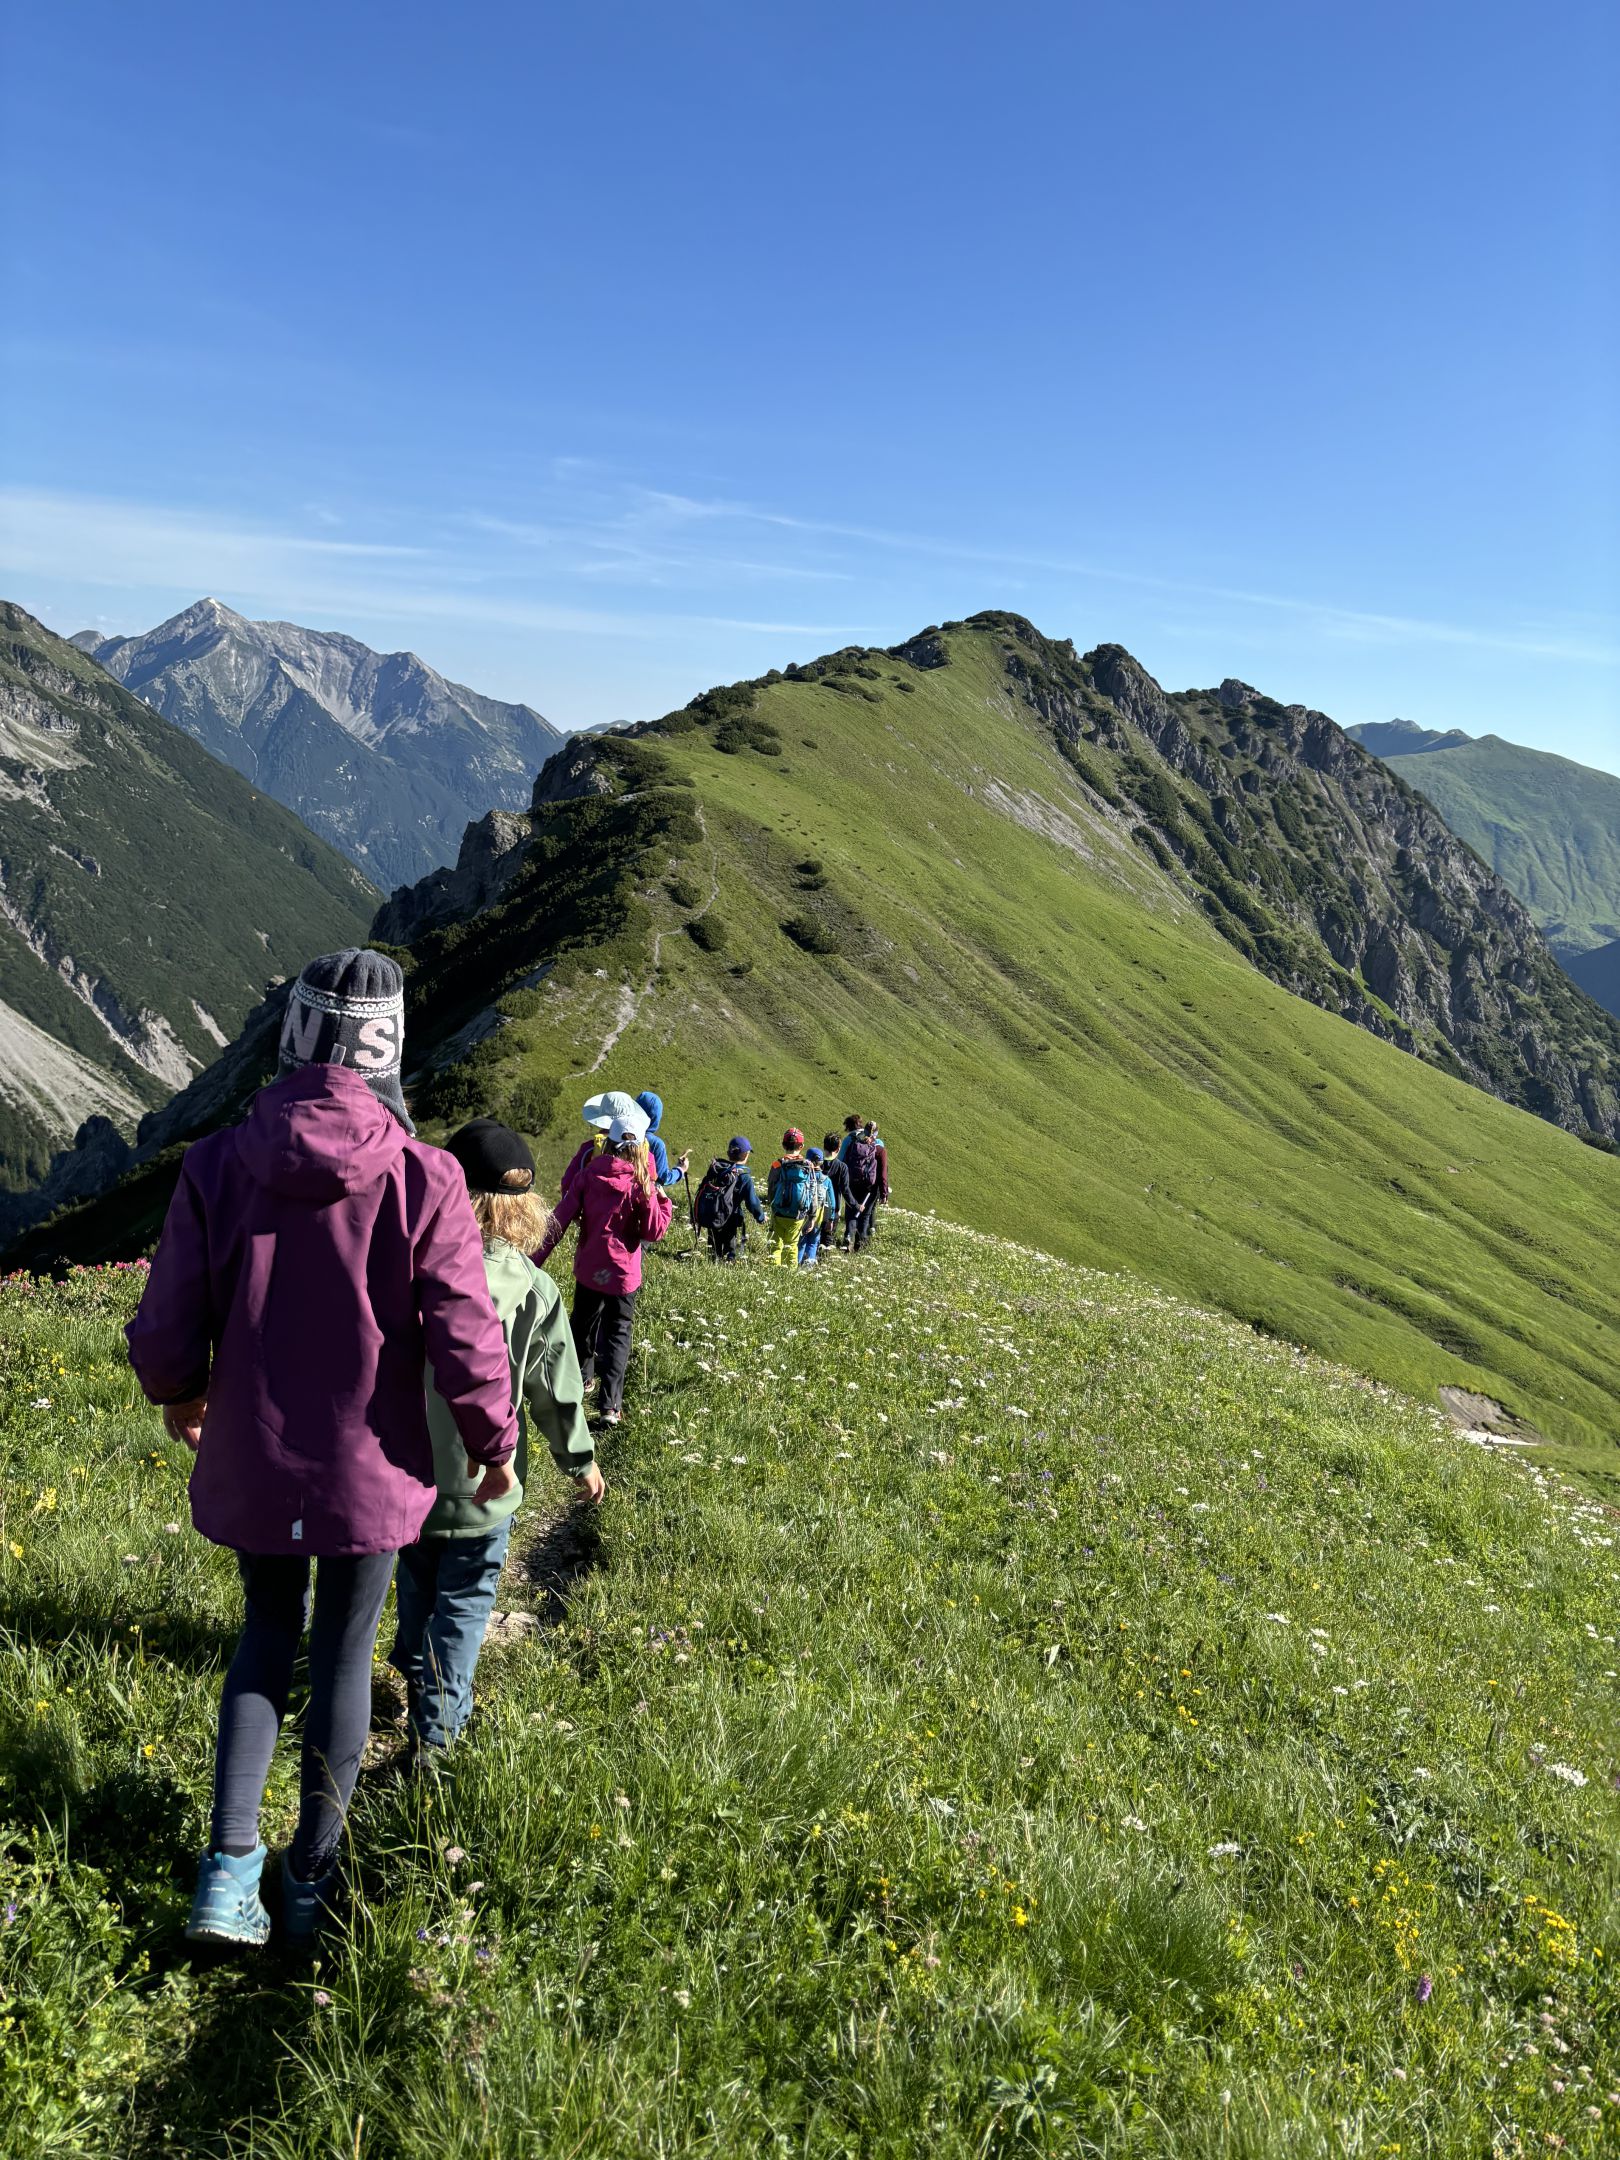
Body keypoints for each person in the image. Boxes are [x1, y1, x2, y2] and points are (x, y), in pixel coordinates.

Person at [125, 950, 517, 1949]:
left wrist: (178, 1394)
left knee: (262, 1638)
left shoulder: (216, 1162)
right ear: (389, 1051)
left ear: (293, 1038)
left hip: (254, 1454)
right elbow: (467, 1334)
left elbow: (168, 1324)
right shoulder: (423, 1178)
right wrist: (494, 1441)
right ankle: (310, 1880)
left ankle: (227, 1873)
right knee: (345, 1657)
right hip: (370, 1470)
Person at [390, 1119, 605, 1772]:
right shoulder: (536, 1292)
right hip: (489, 1481)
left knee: (417, 1579)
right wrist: (581, 1460)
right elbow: (555, 1389)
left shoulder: (403, 1273)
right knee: (464, 1604)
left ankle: (411, 1672)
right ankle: (438, 1734)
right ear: (524, 1209)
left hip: (403, 1476)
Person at [535, 1103, 671, 1425]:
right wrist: (660, 1198)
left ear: (606, 1142)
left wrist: (533, 1261)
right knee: (618, 1334)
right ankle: (610, 1406)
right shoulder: (642, 1184)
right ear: (640, 1148)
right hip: (624, 1276)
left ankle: (581, 1380)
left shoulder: (587, 1176)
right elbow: (653, 1231)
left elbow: (559, 1219)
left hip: (589, 1270)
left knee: (582, 1323)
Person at [558, 1089, 642, 1210]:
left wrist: (576, 1213)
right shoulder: (640, 1148)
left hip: (592, 1216)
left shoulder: (589, 1148)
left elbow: (568, 1182)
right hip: (628, 1217)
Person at [692, 1136, 765, 1262]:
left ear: (728, 1153)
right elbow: (752, 1201)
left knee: (713, 1243)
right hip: (731, 1216)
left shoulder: (718, 1169)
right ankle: (728, 1263)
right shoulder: (744, 1176)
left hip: (712, 1213)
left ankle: (712, 1263)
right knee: (730, 1247)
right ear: (746, 1154)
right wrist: (760, 1217)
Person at [765, 1128, 818, 1266]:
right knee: (792, 1245)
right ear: (801, 1147)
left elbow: (771, 1186)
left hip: (779, 1211)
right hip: (798, 1214)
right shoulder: (809, 1165)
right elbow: (813, 1191)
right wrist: (812, 1217)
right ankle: (790, 1273)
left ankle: (772, 1271)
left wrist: (772, 1204)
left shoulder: (777, 1164)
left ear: (783, 1145)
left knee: (775, 1244)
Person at [845, 1119, 890, 1252]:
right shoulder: (880, 1150)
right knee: (865, 1215)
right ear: (876, 1133)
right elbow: (883, 1174)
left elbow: (847, 1163)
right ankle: (861, 1244)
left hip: (853, 1184)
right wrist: (884, 1194)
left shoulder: (854, 1144)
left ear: (864, 1130)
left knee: (851, 1212)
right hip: (870, 1188)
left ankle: (847, 1238)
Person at [636, 1090, 689, 1191]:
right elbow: (662, 1178)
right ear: (655, 1117)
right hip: (643, 1196)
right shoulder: (656, 1144)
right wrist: (681, 1169)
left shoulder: (620, 1133)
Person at [798, 1148, 834, 1267]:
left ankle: (797, 1264)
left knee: (801, 1241)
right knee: (813, 1241)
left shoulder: (804, 1175)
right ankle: (809, 1266)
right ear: (821, 1162)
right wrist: (830, 1219)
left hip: (803, 1213)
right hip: (818, 1214)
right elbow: (831, 1202)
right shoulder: (826, 1180)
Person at [821, 1133, 853, 1249]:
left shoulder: (816, 1164)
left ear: (824, 1147)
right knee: (828, 1238)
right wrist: (855, 1205)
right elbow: (845, 1190)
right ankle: (823, 1260)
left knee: (813, 1236)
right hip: (833, 1209)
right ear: (838, 1149)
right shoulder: (842, 1167)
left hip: (815, 1206)